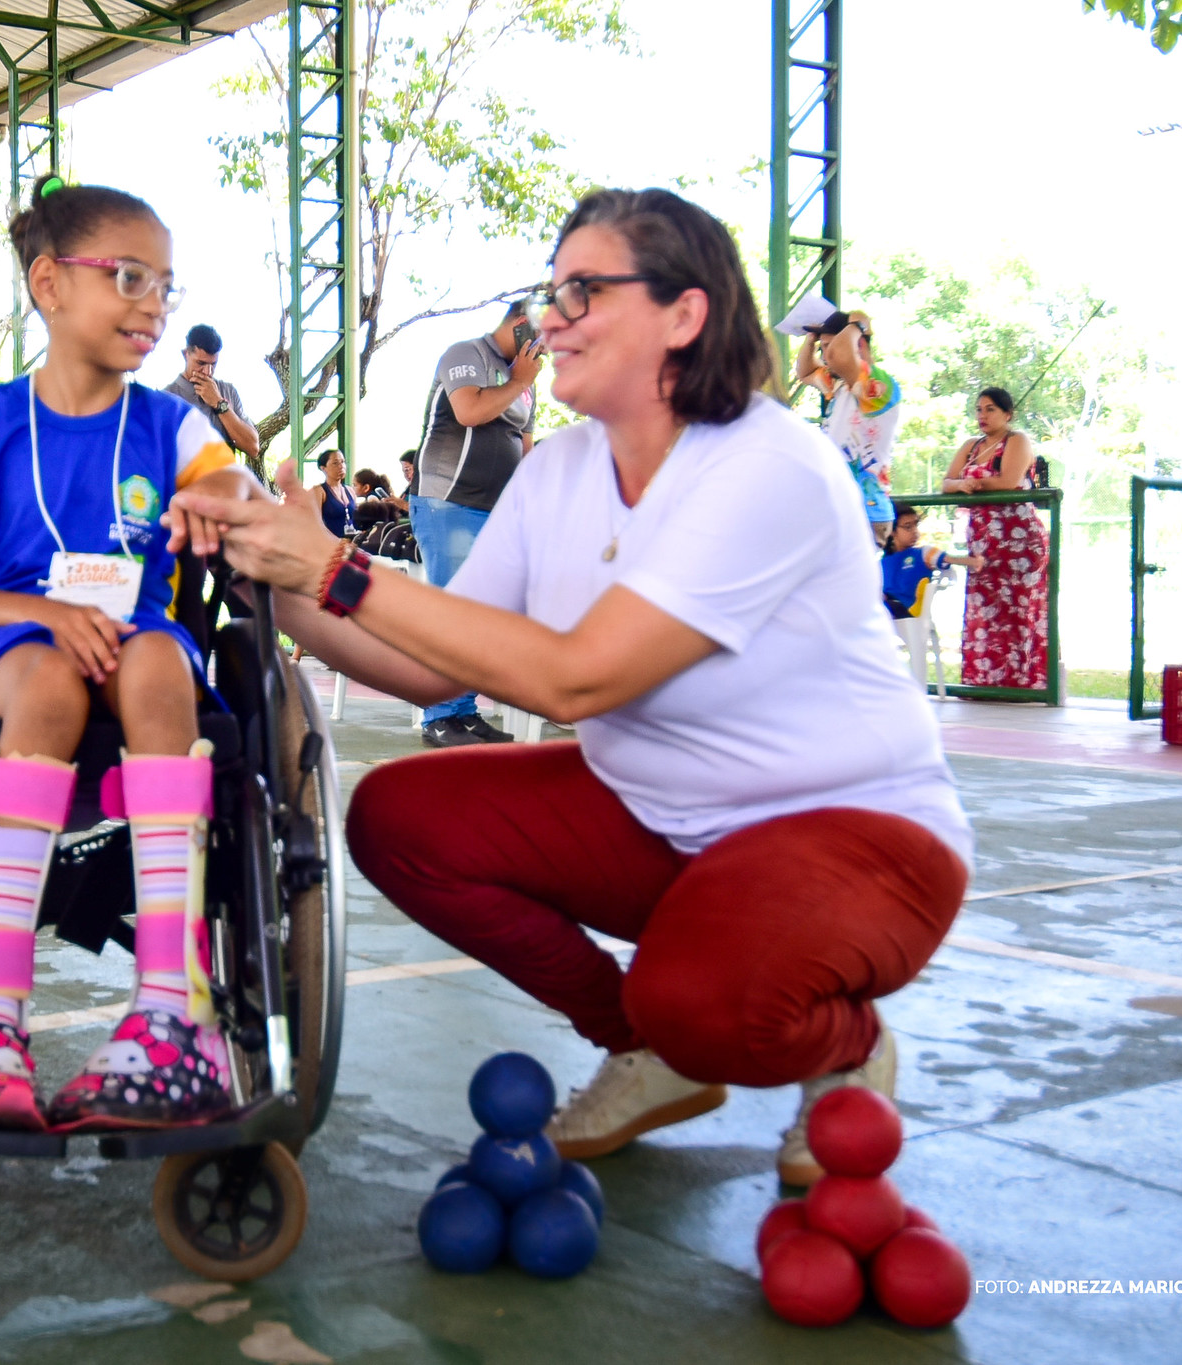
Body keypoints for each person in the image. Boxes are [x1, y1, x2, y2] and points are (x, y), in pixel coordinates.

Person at [172, 186, 972, 1189]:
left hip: (855, 840)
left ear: (684, 316)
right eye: (550, 295)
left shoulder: (770, 463)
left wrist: (334, 566)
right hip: (659, 820)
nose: (548, 321)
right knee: (399, 819)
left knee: (706, 1001)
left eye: (584, 293)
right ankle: (643, 1049)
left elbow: (578, 676)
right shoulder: (558, 470)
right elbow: (435, 666)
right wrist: (268, 581)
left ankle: (841, 1042)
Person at [0, 179, 253, 1133]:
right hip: (11, 643)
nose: (153, 304)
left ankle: (175, 1015)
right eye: (130, 277)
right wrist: (47, 616)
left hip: (135, 638)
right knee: (55, 675)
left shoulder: (173, 424)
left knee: (157, 662)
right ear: (50, 284)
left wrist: (216, 502)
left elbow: (247, 499)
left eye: (165, 286)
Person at [408, 299, 543, 746]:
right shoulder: (466, 354)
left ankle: (463, 711)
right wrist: (520, 379)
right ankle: (439, 716)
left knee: (481, 615)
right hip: (448, 503)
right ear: (522, 325)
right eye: (544, 336)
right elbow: (469, 411)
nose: (549, 348)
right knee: (455, 611)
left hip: (493, 512)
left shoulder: (529, 383)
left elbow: (523, 447)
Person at [943, 387, 1049, 690]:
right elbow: (946, 483)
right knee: (985, 612)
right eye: (979, 409)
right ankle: (985, 682)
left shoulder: (1017, 441)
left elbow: (1008, 481)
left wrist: (973, 483)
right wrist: (962, 484)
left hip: (1019, 542)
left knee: (1018, 612)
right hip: (982, 542)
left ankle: (1025, 684)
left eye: (990, 409)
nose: (983, 416)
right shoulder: (970, 446)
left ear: (1007, 414)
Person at [794, 309, 900, 541]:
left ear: (858, 345)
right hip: (839, 507)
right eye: (823, 350)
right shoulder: (838, 383)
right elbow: (803, 372)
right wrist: (812, 339)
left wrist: (858, 325)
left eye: (829, 348)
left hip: (866, 511)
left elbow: (840, 357)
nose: (825, 357)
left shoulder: (877, 385)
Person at [165, 323, 261, 466]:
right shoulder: (167, 398)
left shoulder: (228, 391)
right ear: (186, 354)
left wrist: (219, 403)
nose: (207, 371)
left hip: (226, 484)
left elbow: (253, 447)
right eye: (200, 363)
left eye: (213, 364)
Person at [882, 502, 985, 619]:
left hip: (908, 614)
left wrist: (975, 562)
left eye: (916, 525)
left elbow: (950, 559)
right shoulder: (881, 563)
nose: (915, 531)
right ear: (892, 531)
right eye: (908, 527)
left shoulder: (924, 553)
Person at [311, 448, 357, 538]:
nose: (341, 466)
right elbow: (315, 523)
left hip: (351, 542)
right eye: (335, 463)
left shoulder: (350, 490)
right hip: (331, 543)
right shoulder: (319, 491)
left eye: (343, 462)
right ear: (323, 468)